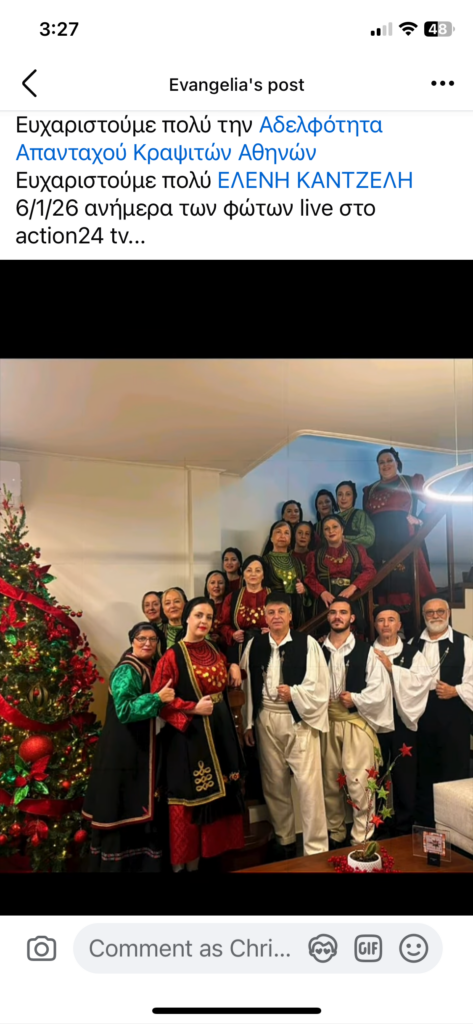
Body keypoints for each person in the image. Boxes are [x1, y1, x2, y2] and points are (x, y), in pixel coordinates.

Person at [152, 597, 245, 872]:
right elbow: (159, 701)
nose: (204, 621)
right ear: (187, 619)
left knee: (222, 792)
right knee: (191, 798)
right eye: (198, 615)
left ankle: (207, 859)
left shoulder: (213, 648)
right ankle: (185, 866)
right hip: (189, 737)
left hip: (219, 730)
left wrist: (233, 666)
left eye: (209, 617)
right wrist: (192, 708)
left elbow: (224, 675)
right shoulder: (172, 656)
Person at [240, 591, 330, 857]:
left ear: (290, 616)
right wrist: (248, 723)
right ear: (265, 617)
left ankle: (316, 847)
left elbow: (320, 684)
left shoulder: (307, 643)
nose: (276, 616)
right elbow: (246, 687)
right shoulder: (254, 645)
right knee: (274, 782)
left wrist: (295, 694)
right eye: (271, 612)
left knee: (309, 785)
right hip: (265, 718)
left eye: (281, 612)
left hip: (298, 718)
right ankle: (285, 839)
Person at [82, 622, 175, 872]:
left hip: (137, 749)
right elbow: (124, 710)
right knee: (122, 805)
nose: (147, 643)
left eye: (152, 639)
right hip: (122, 752)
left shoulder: (148, 666)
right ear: (132, 641)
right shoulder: (127, 670)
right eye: (141, 638)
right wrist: (157, 699)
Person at [320, 598, 392, 849]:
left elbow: (380, 689)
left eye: (343, 612)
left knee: (359, 782)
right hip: (327, 723)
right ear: (328, 617)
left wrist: (356, 699)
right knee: (329, 781)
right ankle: (335, 832)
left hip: (356, 722)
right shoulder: (317, 649)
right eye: (333, 612)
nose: (337, 616)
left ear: (351, 618)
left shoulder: (366, 651)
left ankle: (362, 837)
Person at [365, 606, 432, 835]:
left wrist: (392, 668)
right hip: (374, 721)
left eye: (391, 620)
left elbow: (423, 681)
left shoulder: (412, 653)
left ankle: (405, 824)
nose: (386, 624)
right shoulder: (366, 651)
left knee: (405, 774)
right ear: (375, 625)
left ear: (399, 625)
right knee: (376, 772)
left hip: (403, 718)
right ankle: (378, 823)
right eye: (381, 620)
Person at [411, 598, 473, 827]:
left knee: (454, 771)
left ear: (448, 613)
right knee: (425, 771)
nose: (435, 616)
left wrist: (456, 690)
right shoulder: (413, 644)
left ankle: (456, 828)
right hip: (423, 717)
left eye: (440, 611)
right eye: (430, 612)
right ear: (423, 616)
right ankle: (427, 826)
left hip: (454, 716)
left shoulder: (464, 642)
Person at [363, 447, 436, 636]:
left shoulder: (410, 482)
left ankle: (414, 636)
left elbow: (433, 502)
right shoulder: (370, 490)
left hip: (404, 542)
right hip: (378, 546)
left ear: (397, 463)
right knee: (383, 589)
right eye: (381, 462)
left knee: (407, 587)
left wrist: (419, 520)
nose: (385, 465)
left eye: (389, 460)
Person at [305, 515, 376, 636]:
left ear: (342, 529)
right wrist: (322, 592)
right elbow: (309, 578)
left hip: (353, 598)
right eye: (326, 529)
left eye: (335, 527)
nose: (331, 531)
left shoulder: (357, 550)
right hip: (326, 602)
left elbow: (370, 570)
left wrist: (353, 587)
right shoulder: (314, 555)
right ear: (323, 533)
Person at [220, 555, 271, 664]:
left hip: (268, 648)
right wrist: (232, 634)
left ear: (263, 575)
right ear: (243, 575)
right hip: (239, 649)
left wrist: (273, 632)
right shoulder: (232, 597)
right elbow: (223, 625)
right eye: (249, 570)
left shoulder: (273, 597)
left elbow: (287, 624)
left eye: (258, 570)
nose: (253, 574)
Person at [263, 520, 310, 628]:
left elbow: (308, 590)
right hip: (274, 614)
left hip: (296, 613)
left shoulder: (298, 562)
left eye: (286, 533)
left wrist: (304, 589)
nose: (282, 536)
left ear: (290, 539)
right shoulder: (263, 562)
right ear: (271, 538)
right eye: (278, 532)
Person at [335, 481, 375, 550]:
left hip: (355, 555)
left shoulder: (360, 514)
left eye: (348, 494)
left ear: (354, 497)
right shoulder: (332, 518)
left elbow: (369, 538)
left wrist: (345, 539)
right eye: (340, 494)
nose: (343, 498)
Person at [204, 570, 228, 646]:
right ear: (207, 587)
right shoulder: (200, 605)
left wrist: (220, 639)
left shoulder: (230, 606)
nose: (216, 586)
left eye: (220, 583)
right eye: (212, 583)